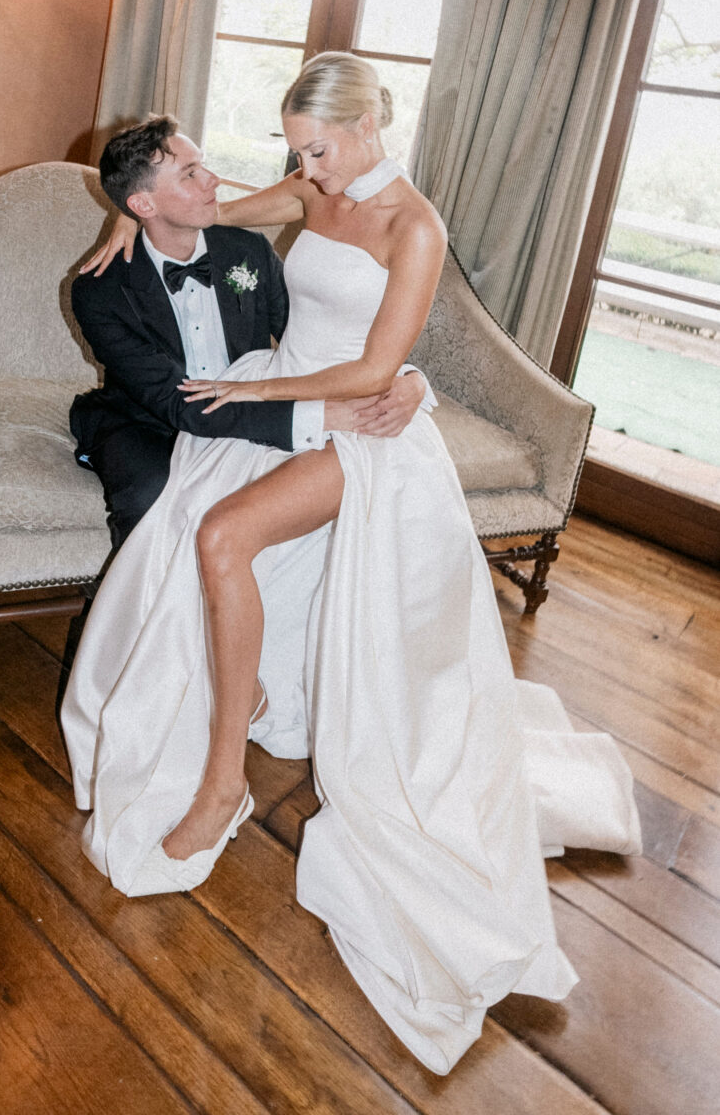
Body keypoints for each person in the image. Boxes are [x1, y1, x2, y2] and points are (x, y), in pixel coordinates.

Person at [62, 53, 640, 1075]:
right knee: (191, 533)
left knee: (219, 536)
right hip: (288, 389)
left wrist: (268, 397)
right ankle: (227, 711)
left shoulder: (413, 227)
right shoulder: (307, 182)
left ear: (372, 124)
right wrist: (127, 214)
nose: (307, 171)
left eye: (319, 148)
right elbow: (202, 208)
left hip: (360, 426)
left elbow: (379, 365)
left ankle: (219, 778)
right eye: (296, 150)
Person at [69, 115, 430, 550]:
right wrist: (320, 416)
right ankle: (139, 616)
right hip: (151, 422)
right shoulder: (100, 292)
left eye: (202, 164)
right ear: (143, 205)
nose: (213, 179)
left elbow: (319, 335)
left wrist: (409, 378)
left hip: (253, 411)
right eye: (190, 173)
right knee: (150, 498)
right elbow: (177, 406)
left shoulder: (247, 250)